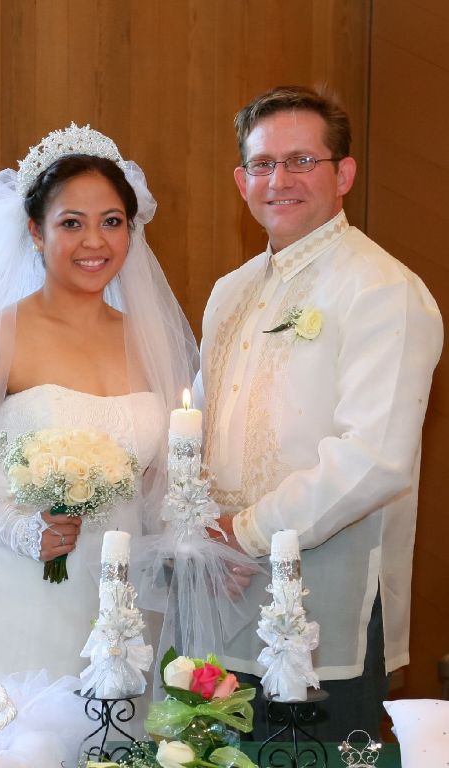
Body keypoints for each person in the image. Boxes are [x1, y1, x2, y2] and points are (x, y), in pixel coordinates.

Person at [0, 124, 198, 766]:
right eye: (72, 223)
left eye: (112, 222)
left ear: (131, 235)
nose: (94, 241)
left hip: (115, 603)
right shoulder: (2, 333)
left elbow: (166, 483)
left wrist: (201, 547)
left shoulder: (151, 341)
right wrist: (18, 526)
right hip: (8, 589)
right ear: (36, 232)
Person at [195, 85, 443, 740]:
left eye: (301, 160)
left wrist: (242, 533)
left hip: (319, 611)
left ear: (344, 174)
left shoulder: (381, 290)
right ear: (240, 179)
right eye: (262, 164)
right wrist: (198, 535)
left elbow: (373, 460)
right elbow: (196, 429)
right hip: (217, 601)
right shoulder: (229, 293)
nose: (278, 179)